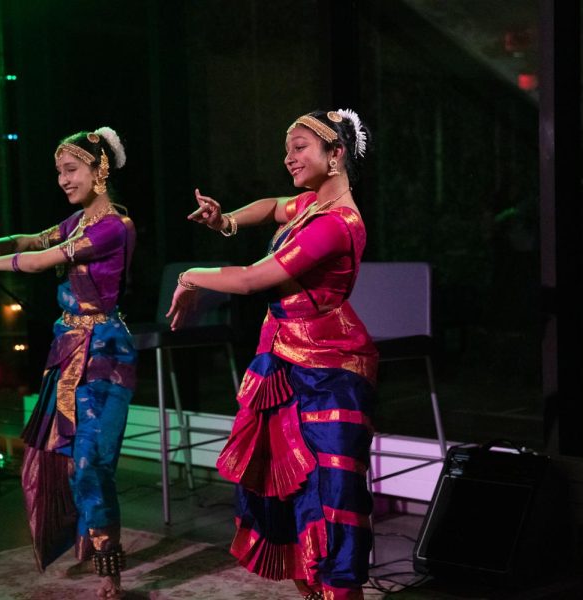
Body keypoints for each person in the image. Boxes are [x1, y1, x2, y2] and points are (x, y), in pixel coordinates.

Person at [168, 109, 378, 600]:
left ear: (336, 153)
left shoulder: (336, 224)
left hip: (330, 368)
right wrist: (227, 221)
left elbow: (249, 279)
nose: (290, 156)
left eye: (302, 146)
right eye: (289, 147)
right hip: (286, 358)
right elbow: (267, 206)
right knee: (292, 493)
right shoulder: (308, 206)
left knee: (331, 501)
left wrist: (189, 276)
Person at [0, 127, 136, 599]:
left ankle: (109, 569)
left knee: (90, 464)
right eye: (59, 172)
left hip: (105, 354)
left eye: (71, 169)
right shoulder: (77, 222)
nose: (62, 179)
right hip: (68, 351)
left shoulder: (112, 226)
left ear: (99, 171)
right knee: (64, 460)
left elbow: (45, 261)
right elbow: (33, 241)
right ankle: (92, 542)